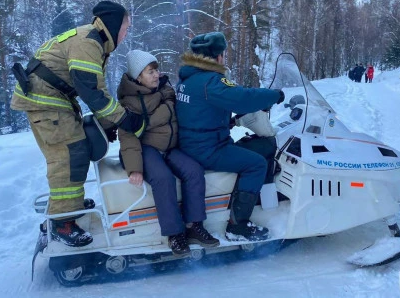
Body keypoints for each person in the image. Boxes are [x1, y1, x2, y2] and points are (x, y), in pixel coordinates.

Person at [11, 1, 146, 247]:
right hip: (46, 102)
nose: (126, 34)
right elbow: (91, 92)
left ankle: (67, 207)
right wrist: (123, 119)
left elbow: (97, 89)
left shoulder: (93, 41)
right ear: (114, 25)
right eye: (126, 28)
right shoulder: (88, 43)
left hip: (54, 100)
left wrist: (108, 122)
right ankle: (62, 223)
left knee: (75, 152)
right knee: (69, 157)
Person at [176, 32, 284, 241]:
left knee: (254, 147)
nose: (224, 59)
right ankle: (238, 225)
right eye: (223, 54)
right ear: (216, 57)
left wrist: (228, 121)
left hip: (193, 144)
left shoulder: (188, 79)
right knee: (257, 163)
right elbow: (242, 97)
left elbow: (199, 112)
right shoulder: (211, 81)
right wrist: (275, 95)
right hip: (208, 149)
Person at [118, 50, 220, 257]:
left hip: (171, 147)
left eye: (156, 70)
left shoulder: (166, 89)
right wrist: (135, 169)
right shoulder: (130, 102)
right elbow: (127, 137)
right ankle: (175, 234)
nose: (156, 75)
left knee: (193, 171)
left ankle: (193, 226)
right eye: (150, 72)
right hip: (146, 148)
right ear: (138, 76)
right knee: (163, 178)